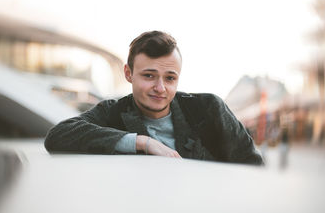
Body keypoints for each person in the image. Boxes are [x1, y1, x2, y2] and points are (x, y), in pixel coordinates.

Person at [44, 31, 263, 165]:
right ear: (128, 74)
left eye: (170, 78)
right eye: (149, 76)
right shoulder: (113, 112)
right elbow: (57, 136)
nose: (160, 88)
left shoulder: (209, 108)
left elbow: (252, 165)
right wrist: (143, 143)